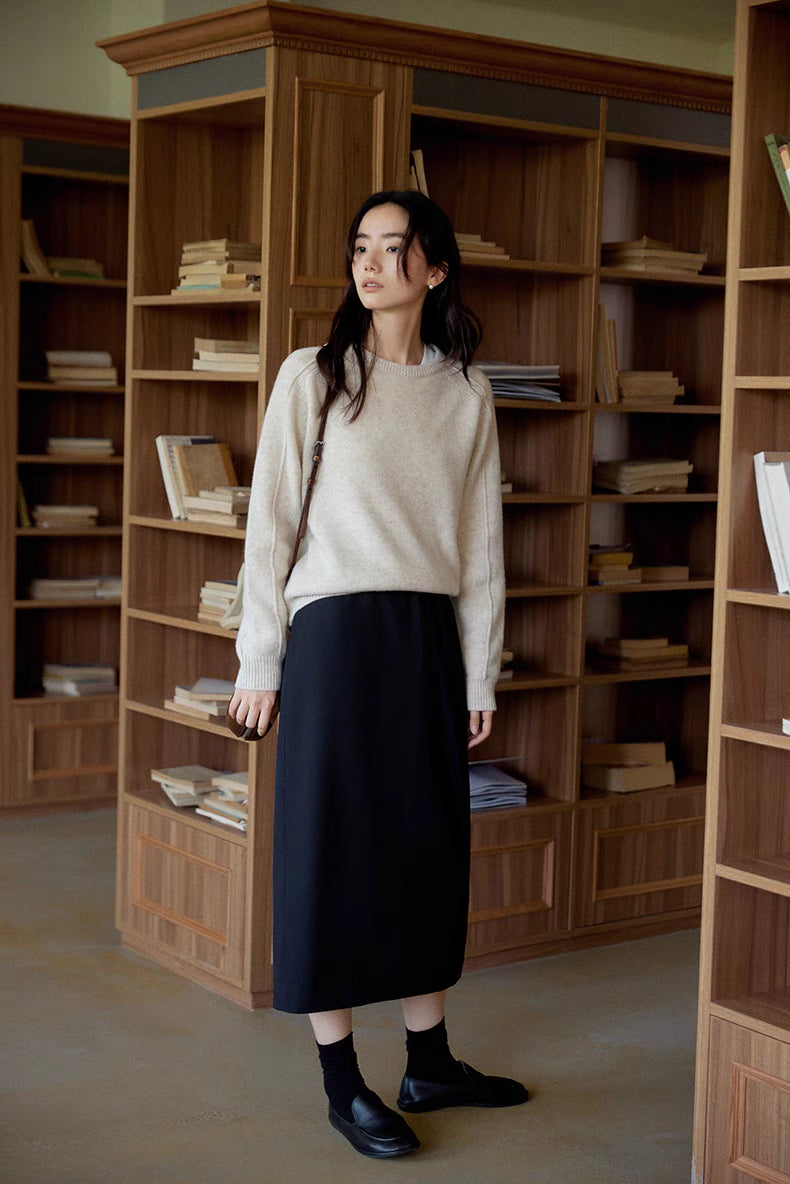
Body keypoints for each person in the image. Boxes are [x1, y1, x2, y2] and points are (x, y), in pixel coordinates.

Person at [229, 189, 529, 1159]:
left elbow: (481, 546)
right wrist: (259, 660)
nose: (371, 265)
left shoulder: (465, 392)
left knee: (424, 849)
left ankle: (429, 1058)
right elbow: (269, 528)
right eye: (360, 246)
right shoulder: (311, 376)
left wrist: (479, 675)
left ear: (433, 269)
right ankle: (342, 1080)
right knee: (331, 852)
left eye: (393, 249)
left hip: (427, 644)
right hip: (334, 640)